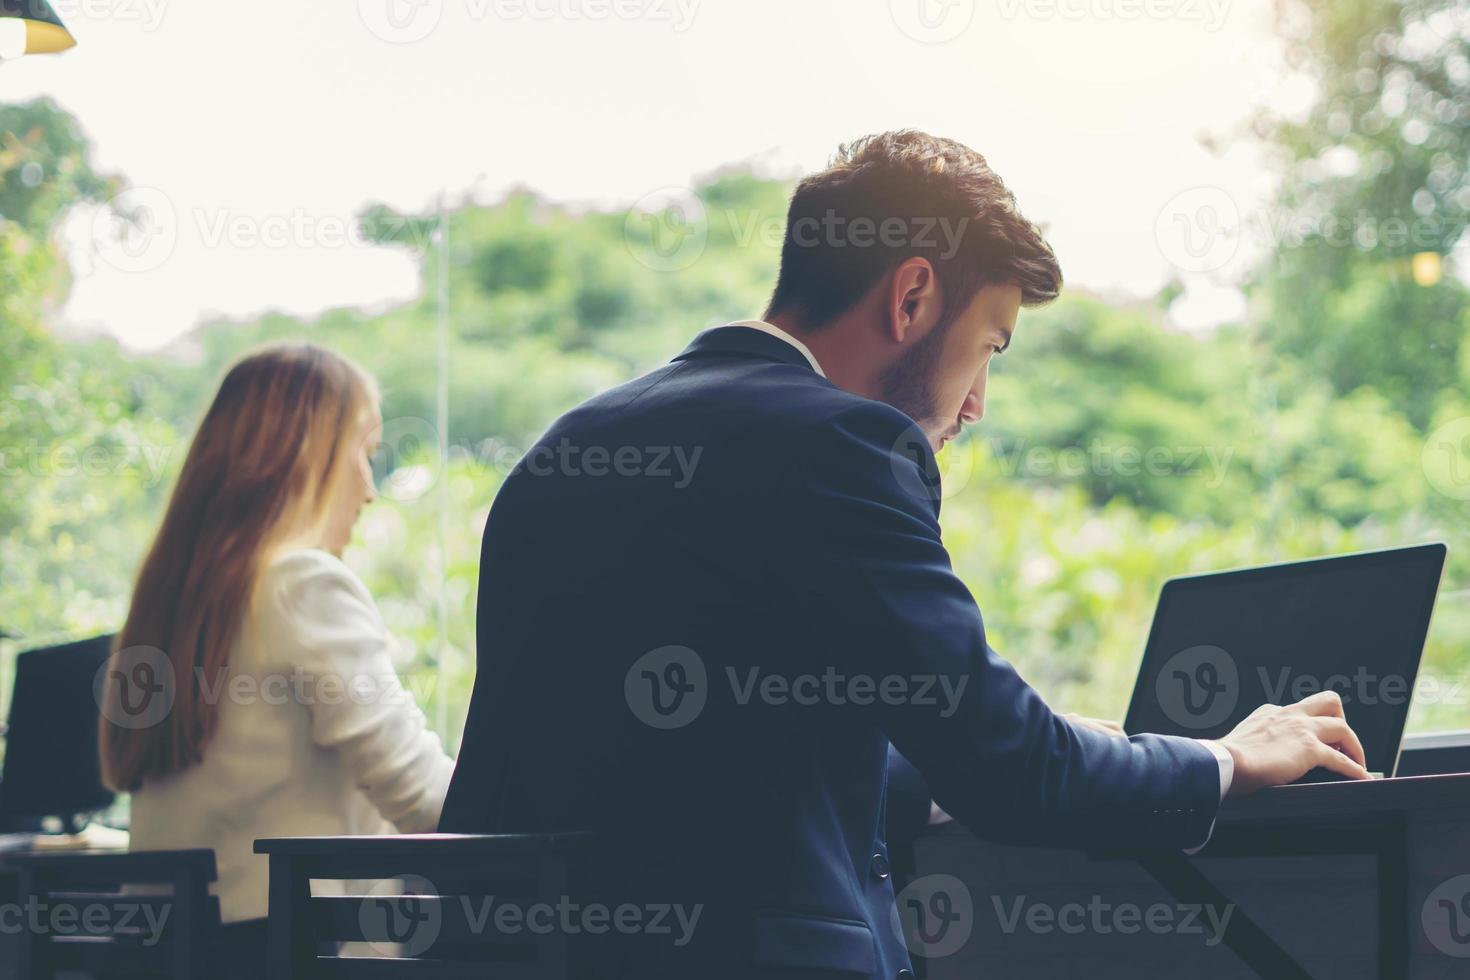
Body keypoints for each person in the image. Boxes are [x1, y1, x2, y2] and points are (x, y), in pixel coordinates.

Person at [440, 130, 1368, 978]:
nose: (976, 406)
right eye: (989, 347)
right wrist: (1227, 759)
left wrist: (1040, 735)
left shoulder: (569, 444)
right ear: (913, 294)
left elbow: (695, 754)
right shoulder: (842, 444)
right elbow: (1010, 775)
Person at [98, 343, 454, 970]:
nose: (369, 491)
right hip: (293, 953)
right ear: (301, 456)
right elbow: (425, 799)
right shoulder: (300, 582)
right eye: (365, 454)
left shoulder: (173, 604)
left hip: (174, 956)